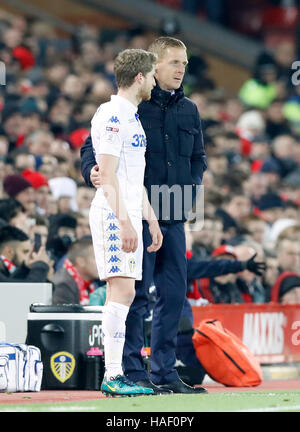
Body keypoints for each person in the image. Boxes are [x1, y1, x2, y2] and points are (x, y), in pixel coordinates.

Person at [81, 37, 208, 394]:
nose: (181, 69)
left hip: (169, 211)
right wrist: (92, 169)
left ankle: (166, 373)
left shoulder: (190, 110)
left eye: (185, 63)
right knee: (132, 293)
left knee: (173, 294)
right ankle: (132, 371)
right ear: (151, 68)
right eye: (174, 63)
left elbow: (199, 157)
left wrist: (189, 189)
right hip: (131, 209)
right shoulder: (132, 107)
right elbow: (93, 148)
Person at [88, 48, 162, 397]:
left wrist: (150, 218)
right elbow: (108, 172)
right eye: (152, 74)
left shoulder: (132, 115)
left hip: (129, 211)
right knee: (121, 290)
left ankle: (115, 374)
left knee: (127, 291)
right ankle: (112, 374)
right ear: (139, 78)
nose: (154, 80)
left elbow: (134, 177)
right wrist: (125, 221)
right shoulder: (113, 114)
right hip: (112, 212)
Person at [52, 236, 99, 305]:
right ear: (81, 261)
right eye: (95, 258)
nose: (100, 263)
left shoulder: (92, 284)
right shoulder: (64, 285)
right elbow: (64, 315)